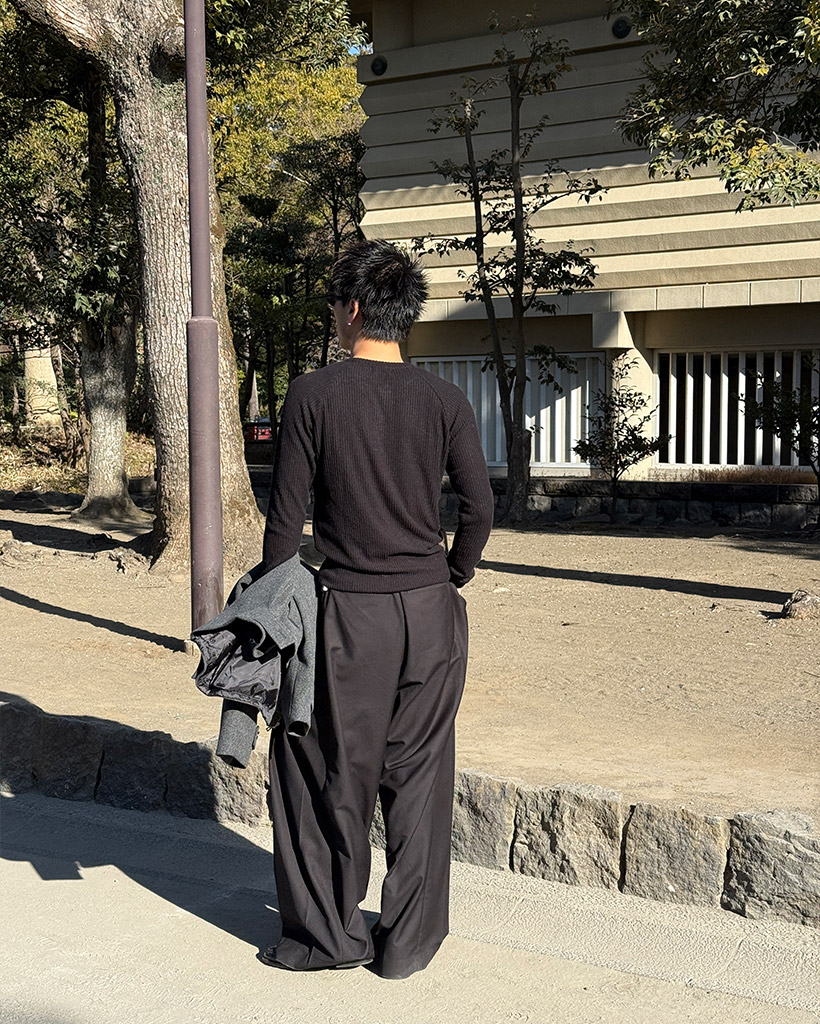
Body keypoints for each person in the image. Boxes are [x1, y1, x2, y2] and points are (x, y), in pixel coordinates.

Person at [260, 238, 494, 980]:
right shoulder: (444, 400)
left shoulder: (313, 395)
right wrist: (450, 576)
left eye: (336, 304)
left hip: (348, 617)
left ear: (354, 308)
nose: (335, 316)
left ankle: (329, 937)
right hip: (431, 614)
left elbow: (283, 523)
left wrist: (272, 613)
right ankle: (407, 946)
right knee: (420, 778)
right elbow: (480, 508)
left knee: (329, 772)